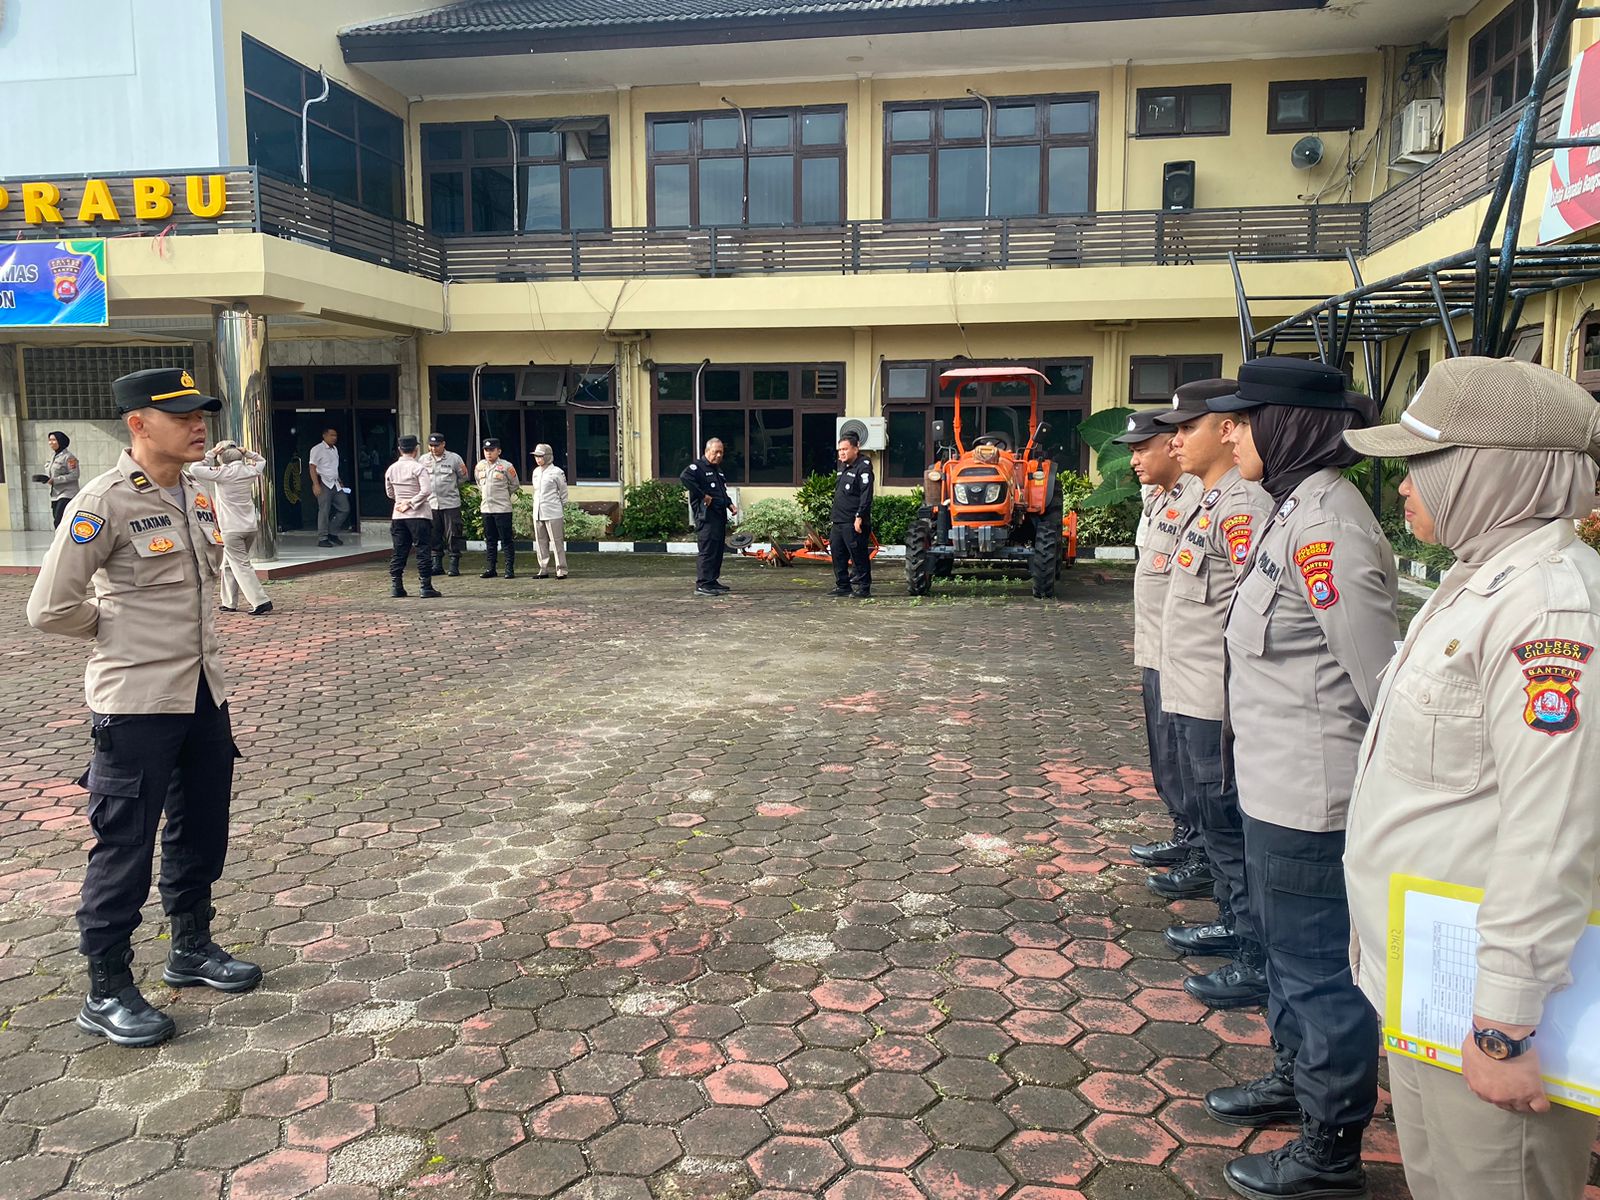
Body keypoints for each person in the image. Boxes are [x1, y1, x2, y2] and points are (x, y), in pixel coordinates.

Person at [1342, 357, 1600, 1200]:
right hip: (1433, 984)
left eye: (1424, 463)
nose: (1403, 486)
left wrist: (1503, 1026)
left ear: (1490, 470)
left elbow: (1554, 830)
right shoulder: (1479, 579)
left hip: (1492, 1012)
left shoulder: (1550, 610)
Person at [1205, 356, 1398, 1198]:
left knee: (1319, 968)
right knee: (1287, 959)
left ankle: (1330, 1146)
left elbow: (1377, 685)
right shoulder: (1293, 511)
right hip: (1272, 786)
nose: (1231, 435)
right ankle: (1297, 1078)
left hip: (1315, 799)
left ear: (1288, 425)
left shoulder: (1328, 530)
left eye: (1246, 420)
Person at [25, 367, 263, 1048]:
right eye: (182, 416)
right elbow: (49, 608)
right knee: (123, 843)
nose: (198, 427)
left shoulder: (193, 493)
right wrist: (117, 630)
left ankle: (191, 946)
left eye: (201, 415)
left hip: (202, 694)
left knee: (200, 828)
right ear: (138, 424)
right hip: (135, 704)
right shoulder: (102, 502)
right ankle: (106, 988)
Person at [1151, 379, 1276, 1010]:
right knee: (1213, 818)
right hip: (1190, 688)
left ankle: (1251, 949)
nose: (1175, 441)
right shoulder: (1209, 500)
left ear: (1224, 431)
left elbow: (1250, 612)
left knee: (1227, 823)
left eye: (1186, 428)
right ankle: (1232, 921)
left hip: (1215, 699)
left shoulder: (1242, 506)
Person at [1116, 410, 1202, 870]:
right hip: (1156, 648)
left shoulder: (1199, 499)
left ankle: (1201, 850)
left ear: (1171, 445)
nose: (1134, 460)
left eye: (1141, 449)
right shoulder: (1162, 497)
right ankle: (1184, 833)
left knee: (1189, 757)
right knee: (1166, 752)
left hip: (1182, 652)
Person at [188, 440, 272, 616]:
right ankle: (229, 602)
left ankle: (260, 601)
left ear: (221, 457)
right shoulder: (249, 471)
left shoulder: (222, 473)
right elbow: (262, 461)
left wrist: (211, 452)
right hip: (250, 527)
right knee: (228, 564)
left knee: (241, 565)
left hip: (231, 528)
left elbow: (194, 469)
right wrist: (247, 452)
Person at [385, 436, 440, 599]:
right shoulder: (418, 468)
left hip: (398, 515)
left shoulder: (391, 469)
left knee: (399, 550)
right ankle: (425, 586)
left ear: (400, 450)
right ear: (416, 450)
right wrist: (410, 503)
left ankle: (396, 586)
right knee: (423, 549)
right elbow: (426, 491)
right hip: (419, 515)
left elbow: (389, 492)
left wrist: (402, 502)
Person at [680, 438, 736, 597]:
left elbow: (721, 491)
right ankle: (703, 584)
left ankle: (712, 581)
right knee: (707, 550)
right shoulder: (697, 467)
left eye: (721, 452)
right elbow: (684, 477)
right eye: (715, 452)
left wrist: (730, 504)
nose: (718, 455)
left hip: (719, 515)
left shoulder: (718, 470)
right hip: (706, 517)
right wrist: (702, 495)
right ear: (707, 451)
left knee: (717, 550)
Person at [829, 432, 874, 598]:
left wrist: (860, 516)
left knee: (858, 554)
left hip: (853, 520)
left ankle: (863, 588)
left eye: (845, 449)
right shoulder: (843, 466)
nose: (841, 453)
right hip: (839, 521)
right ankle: (843, 585)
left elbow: (866, 494)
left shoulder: (863, 466)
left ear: (856, 449)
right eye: (840, 450)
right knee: (837, 553)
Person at [422, 433, 468, 578]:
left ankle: (454, 565)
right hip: (431, 503)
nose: (433, 448)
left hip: (450, 503)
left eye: (436, 445)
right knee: (433, 535)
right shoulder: (423, 460)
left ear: (443, 444)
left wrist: (450, 488)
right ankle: (437, 565)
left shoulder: (454, 458)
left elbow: (463, 477)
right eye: (431, 446)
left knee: (453, 534)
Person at [475, 438, 519, 579]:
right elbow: (479, 482)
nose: (488, 453)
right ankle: (491, 568)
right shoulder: (480, 466)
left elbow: (514, 484)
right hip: (486, 508)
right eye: (486, 450)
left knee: (506, 540)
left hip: (502, 509)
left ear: (498, 451)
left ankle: (509, 568)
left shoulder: (506, 466)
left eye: (491, 450)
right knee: (490, 540)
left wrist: (503, 495)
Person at [529, 443, 570, 579]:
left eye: (540, 456)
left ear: (547, 456)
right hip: (538, 511)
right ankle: (543, 568)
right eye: (536, 456)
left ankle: (561, 569)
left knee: (556, 541)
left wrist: (560, 506)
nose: (538, 459)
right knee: (540, 542)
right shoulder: (536, 472)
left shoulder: (557, 472)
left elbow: (563, 492)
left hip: (553, 511)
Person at [308, 427, 350, 548]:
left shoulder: (335, 449)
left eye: (335, 435)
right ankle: (322, 537)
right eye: (331, 435)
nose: (334, 438)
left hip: (335, 483)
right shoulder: (317, 449)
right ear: (324, 436)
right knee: (324, 511)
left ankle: (332, 532)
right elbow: (312, 467)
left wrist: (340, 481)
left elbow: (333, 468)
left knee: (345, 508)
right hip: (323, 482)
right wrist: (316, 484)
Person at [33, 430, 81, 528]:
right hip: (55, 494)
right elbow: (51, 473)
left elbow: (75, 475)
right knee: (57, 520)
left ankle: (61, 537)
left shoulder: (69, 457)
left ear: (60, 441)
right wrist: (44, 479)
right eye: (49, 440)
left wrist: (55, 480)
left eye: (53, 440)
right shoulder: (52, 457)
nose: (51, 442)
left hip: (67, 493)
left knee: (58, 520)